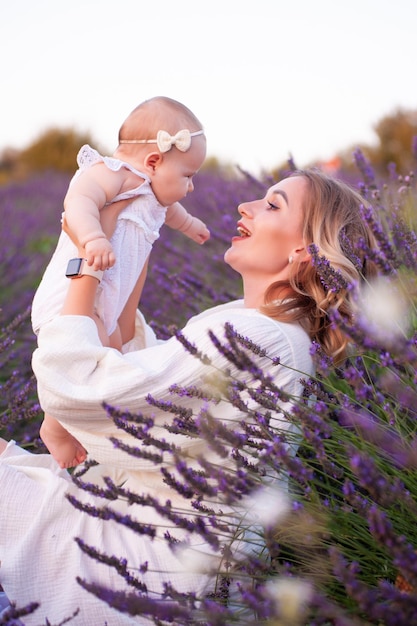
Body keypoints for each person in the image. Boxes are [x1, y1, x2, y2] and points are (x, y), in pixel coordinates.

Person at [0, 169, 378, 625]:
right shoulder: (257, 325)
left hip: (145, 566)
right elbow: (132, 358)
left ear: (304, 249)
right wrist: (131, 234)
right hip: (149, 532)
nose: (246, 206)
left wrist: (86, 260)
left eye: (273, 205)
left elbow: (91, 389)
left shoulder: (256, 336)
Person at [31, 95, 209, 469]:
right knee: (82, 351)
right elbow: (79, 202)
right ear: (154, 162)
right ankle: (55, 424)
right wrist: (93, 237)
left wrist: (191, 226)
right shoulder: (110, 173)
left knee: (108, 356)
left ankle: (86, 427)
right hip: (72, 291)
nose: (190, 187)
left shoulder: (154, 192)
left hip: (108, 298)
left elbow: (171, 210)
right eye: (188, 176)